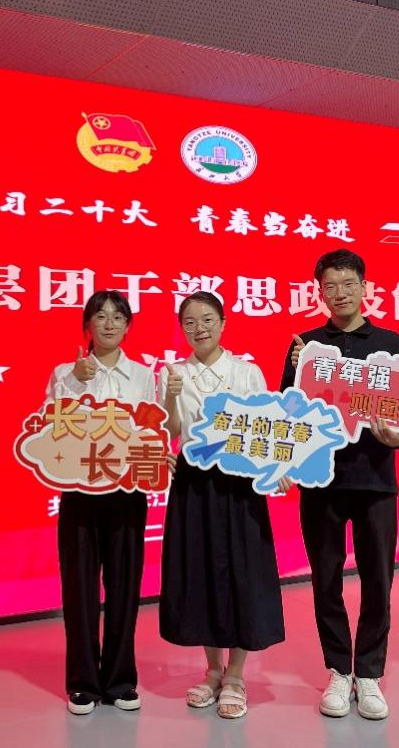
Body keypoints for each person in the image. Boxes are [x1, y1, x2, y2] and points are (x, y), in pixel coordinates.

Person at [279, 249, 399, 721]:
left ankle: (369, 673)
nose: (340, 293)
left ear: (364, 287)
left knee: (378, 580)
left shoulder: (392, 345)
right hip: (321, 483)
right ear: (320, 292)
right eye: (330, 286)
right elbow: (287, 413)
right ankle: (339, 669)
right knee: (325, 579)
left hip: (376, 482)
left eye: (348, 284)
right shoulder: (307, 346)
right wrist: (299, 371)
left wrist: (396, 438)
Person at [158, 291, 285, 720]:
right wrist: (171, 396)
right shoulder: (174, 373)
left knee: (243, 573)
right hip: (194, 484)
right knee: (201, 573)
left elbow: (267, 428)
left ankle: (236, 675)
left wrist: (279, 466)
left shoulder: (246, 371)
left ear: (224, 322)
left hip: (240, 483)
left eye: (208, 319)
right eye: (190, 322)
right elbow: (171, 431)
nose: (200, 328)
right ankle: (212, 670)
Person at [45, 290, 155, 715]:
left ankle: (121, 680)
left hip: (127, 492)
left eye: (118, 317)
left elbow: (151, 428)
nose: (109, 324)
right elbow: (49, 427)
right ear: (87, 326)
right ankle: (83, 682)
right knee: (79, 588)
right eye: (100, 316)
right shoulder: (64, 372)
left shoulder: (143, 375)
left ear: (128, 326)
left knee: (126, 588)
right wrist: (76, 381)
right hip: (79, 492)